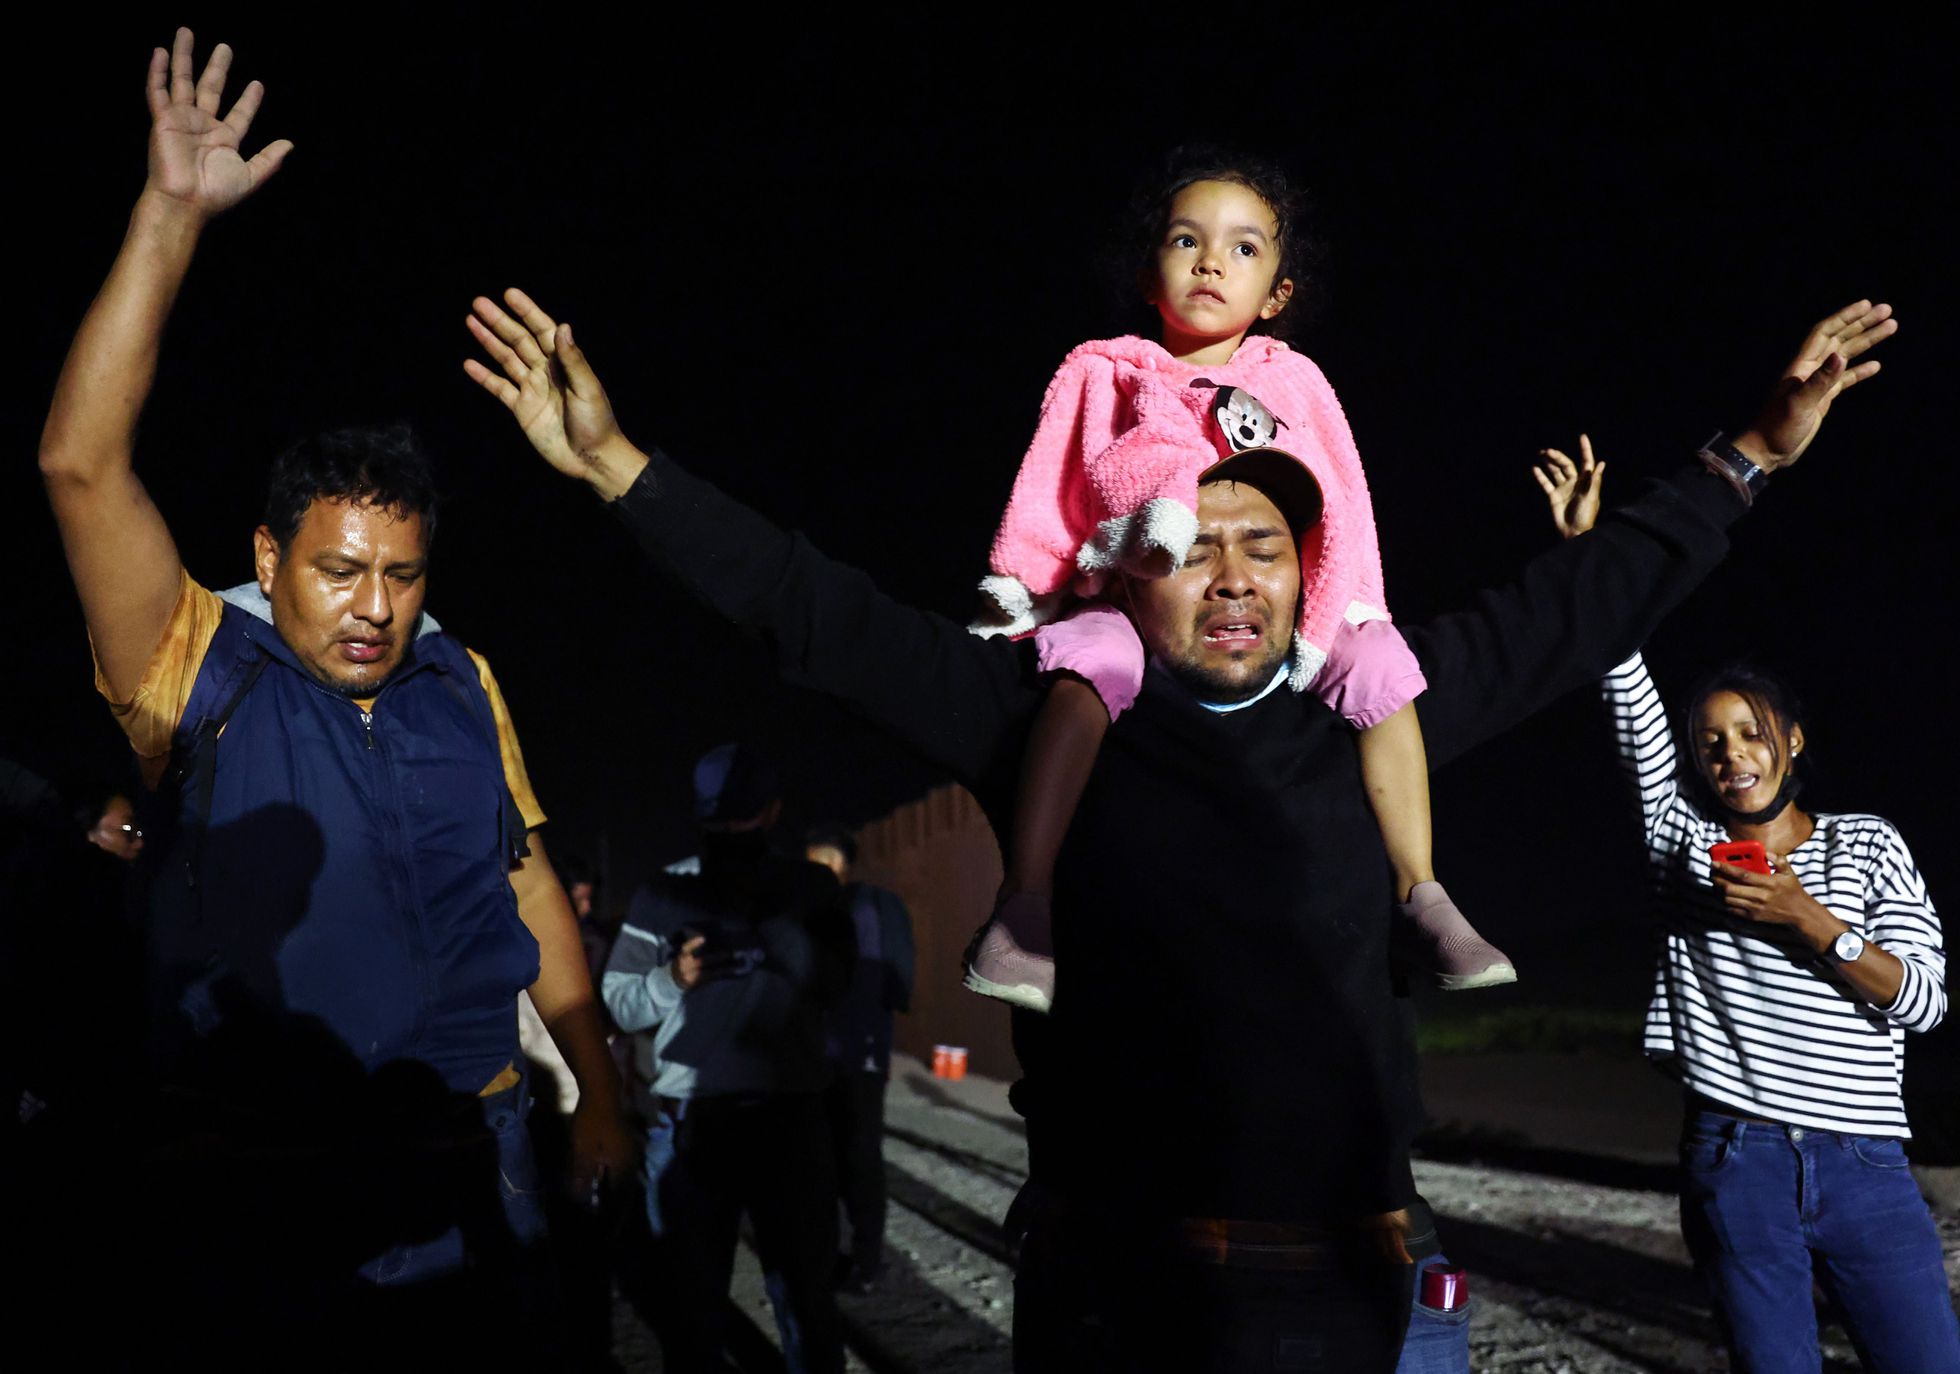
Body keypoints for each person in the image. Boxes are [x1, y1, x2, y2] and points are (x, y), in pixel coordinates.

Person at [466, 280, 1892, 1370]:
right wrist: (619, 471)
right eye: (1190, 543)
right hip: (1113, 1298)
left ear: (1306, 574)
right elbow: (820, 614)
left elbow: (1580, 607)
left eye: (1264, 544)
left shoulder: (1370, 722)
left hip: (1357, 1287)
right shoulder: (1048, 726)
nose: (1229, 572)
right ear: (1128, 571)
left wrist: (1751, 454)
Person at [36, 29, 631, 1354]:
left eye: (403, 574)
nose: (374, 606)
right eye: (340, 570)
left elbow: (525, 879)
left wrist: (597, 1088)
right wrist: (169, 219)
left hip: (483, 1154)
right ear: (268, 556)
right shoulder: (197, 666)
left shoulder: (463, 679)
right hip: (273, 1181)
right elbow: (80, 464)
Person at [966, 148, 1514, 1012]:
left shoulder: (1295, 378)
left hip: (1272, 604)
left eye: (1245, 248)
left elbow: (1343, 494)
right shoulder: (1103, 369)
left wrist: (1355, 603)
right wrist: (1023, 590)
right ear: (1151, 273)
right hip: (1130, 593)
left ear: (1279, 294)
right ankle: (1024, 905)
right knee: (1087, 672)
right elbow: (1051, 487)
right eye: (1187, 241)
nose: (1212, 261)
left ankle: (1423, 894)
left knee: (1381, 666)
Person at [1535, 438, 1960, 1374]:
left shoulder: (1867, 844)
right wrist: (1595, 558)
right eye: (1711, 740)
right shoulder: (1679, 842)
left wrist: (1810, 921)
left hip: (1867, 1168)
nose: (1730, 752)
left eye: (1751, 732)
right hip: (1739, 1160)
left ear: (1792, 740)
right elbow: (1624, 684)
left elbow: (1925, 1002)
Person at [601, 745, 856, 1373]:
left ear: (770, 814)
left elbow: (838, 986)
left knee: (804, 1301)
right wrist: (673, 978)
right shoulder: (666, 890)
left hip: (789, 1118)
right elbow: (620, 1004)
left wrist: (777, 926)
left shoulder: (809, 887)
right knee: (692, 1309)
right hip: (694, 1123)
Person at [806, 824, 917, 1292]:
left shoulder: (868, 905)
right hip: (828, 1053)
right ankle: (841, 1256)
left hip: (853, 1054)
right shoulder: (828, 908)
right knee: (831, 1155)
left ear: (834, 863)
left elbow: (896, 978)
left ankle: (864, 1259)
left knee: (856, 1154)